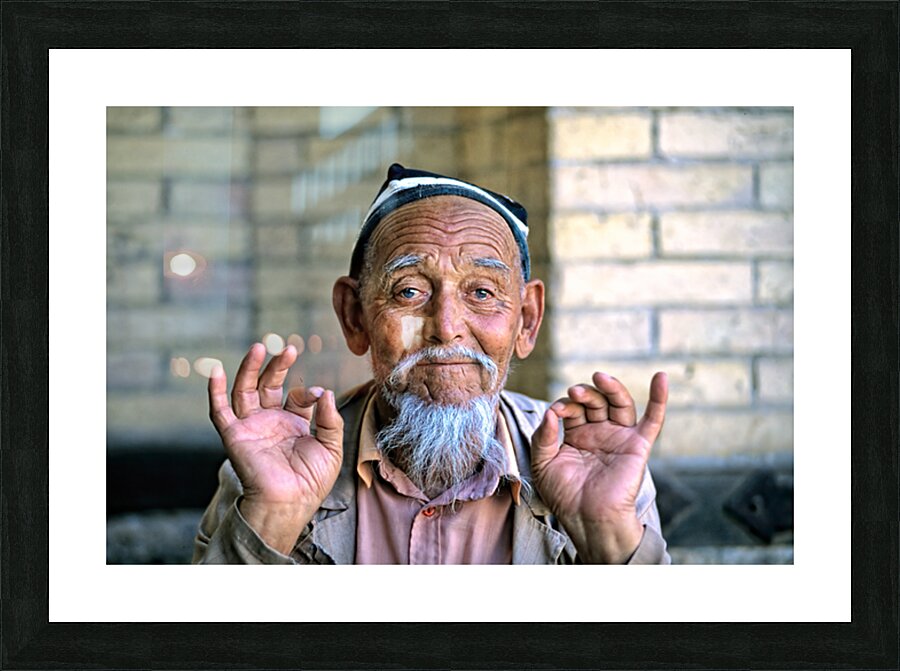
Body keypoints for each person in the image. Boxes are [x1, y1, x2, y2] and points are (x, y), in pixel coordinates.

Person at [193, 163, 671, 565]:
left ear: (526, 321)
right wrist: (273, 515)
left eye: (481, 292)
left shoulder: (592, 465)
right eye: (409, 292)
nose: (446, 326)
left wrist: (604, 531)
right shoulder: (273, 467)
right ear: (355, 317)